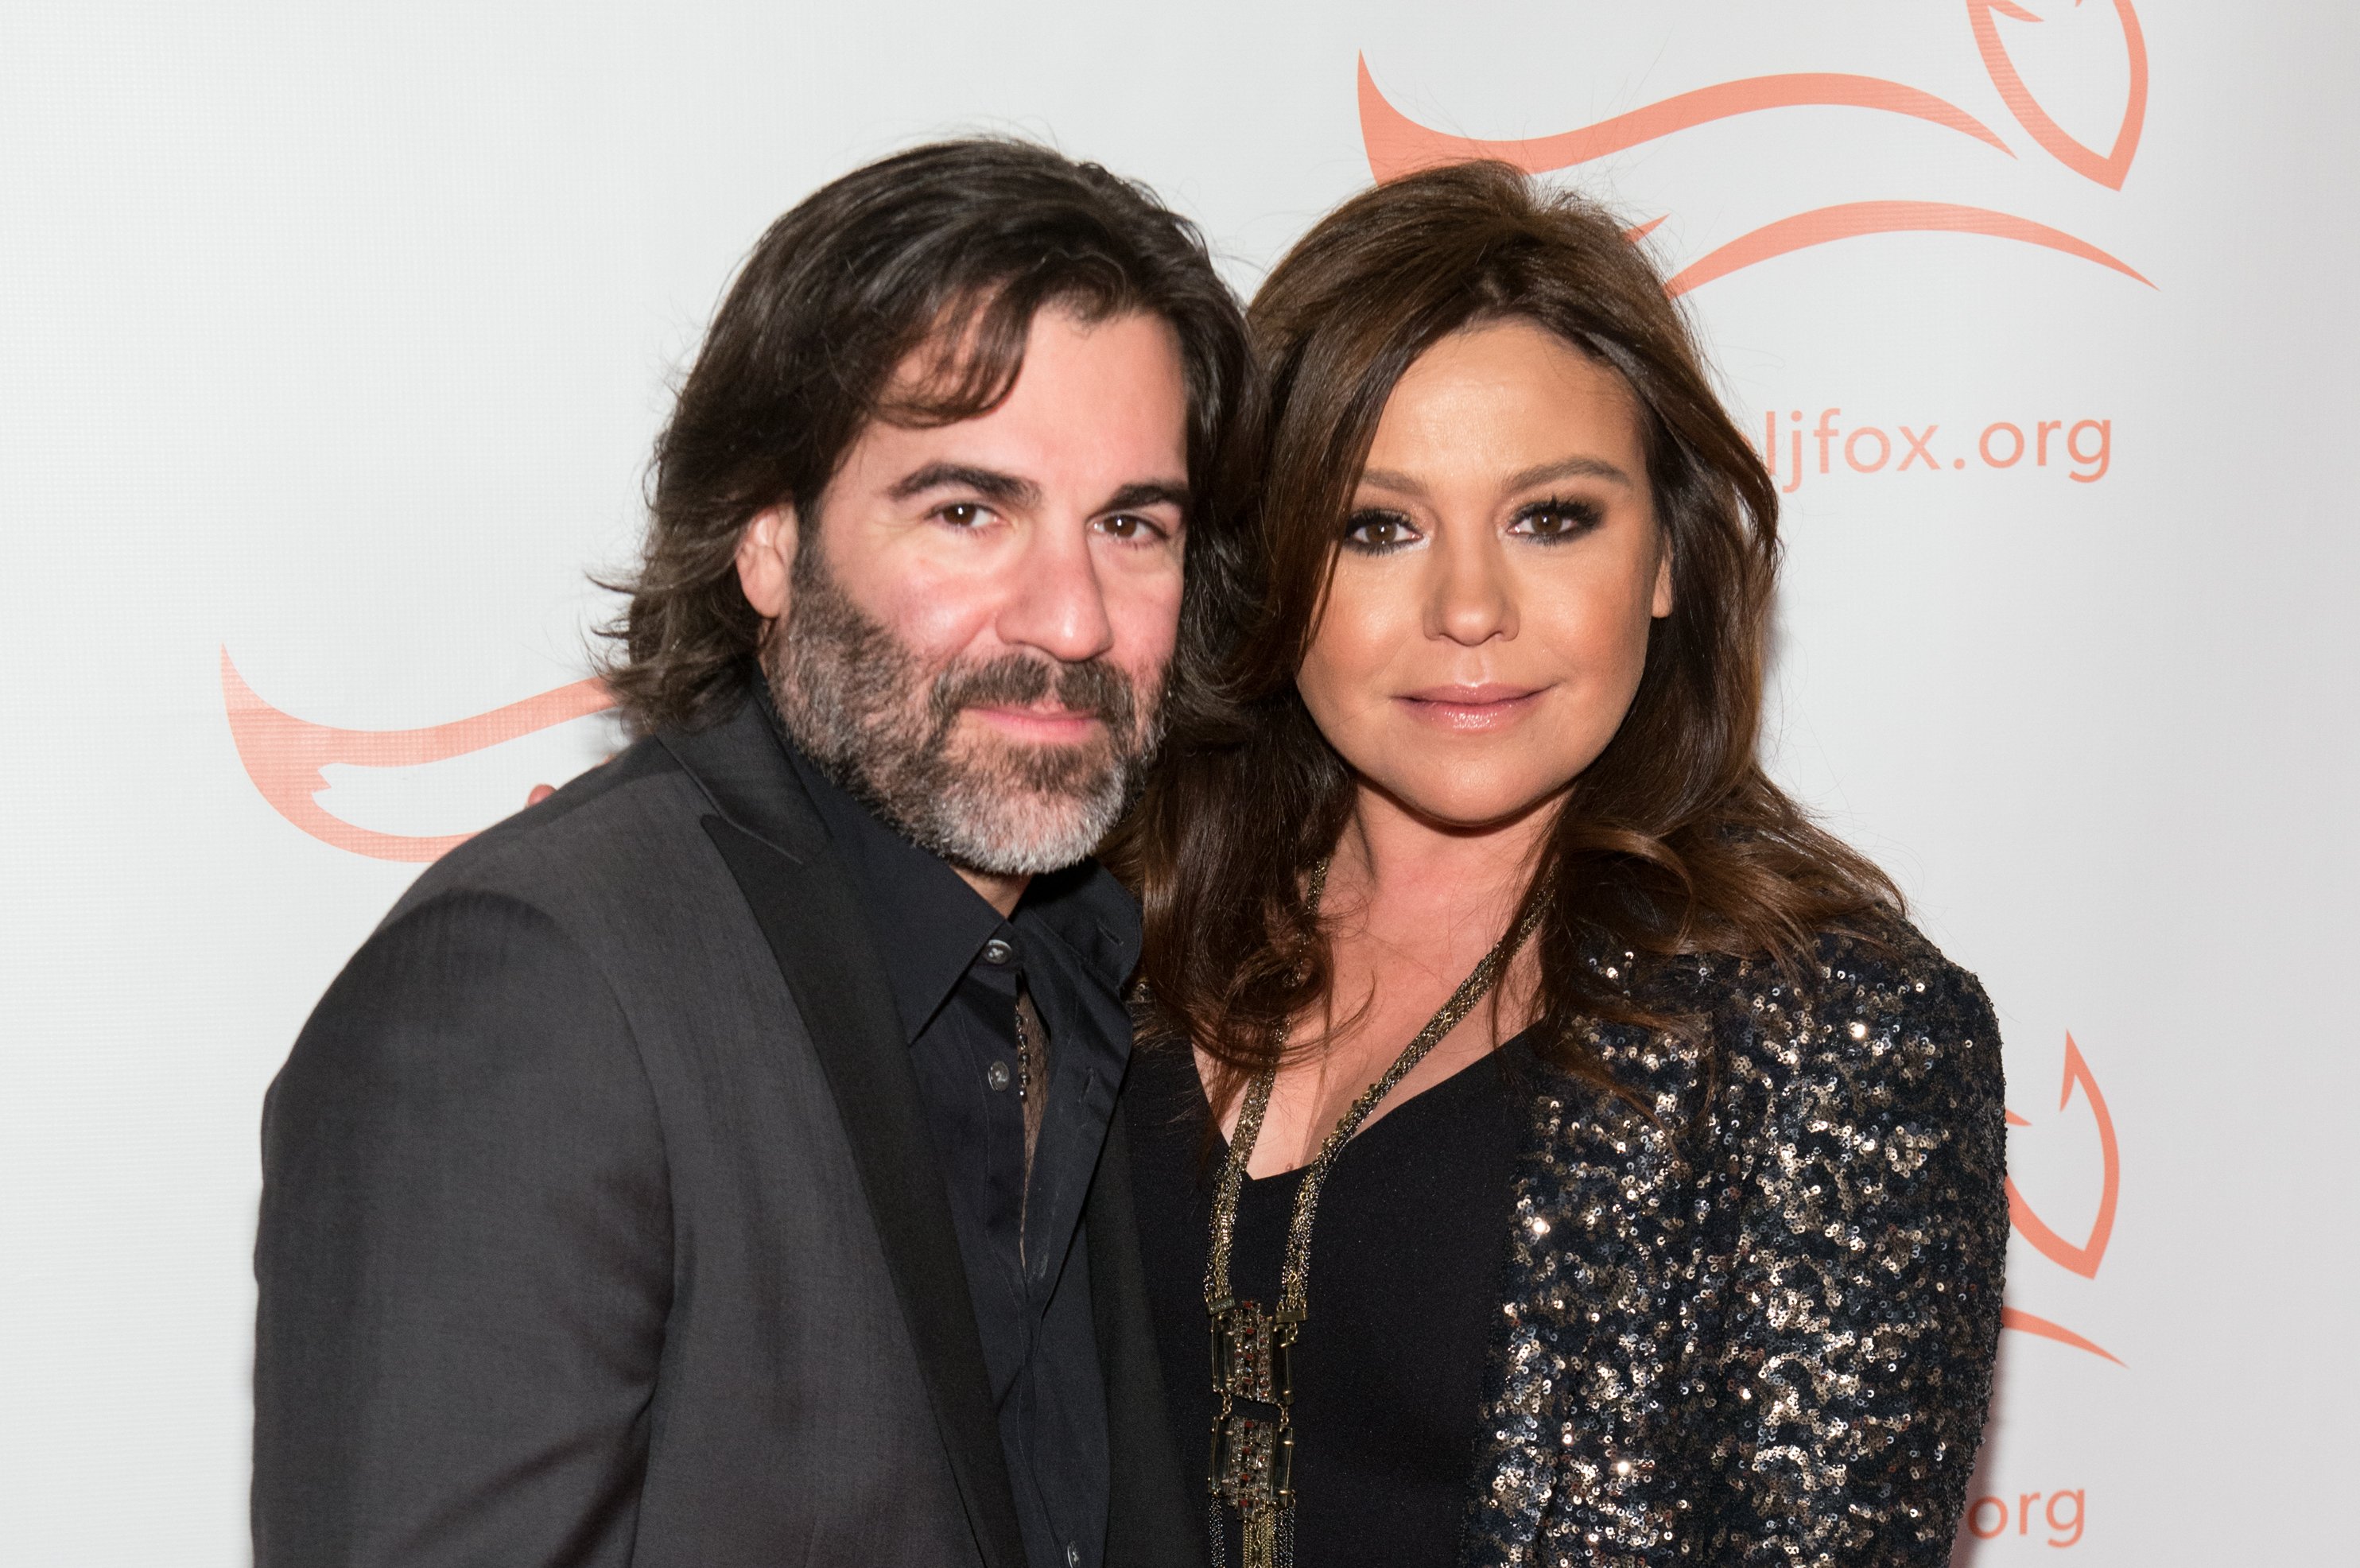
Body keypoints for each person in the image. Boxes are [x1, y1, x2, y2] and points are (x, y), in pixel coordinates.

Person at [253, 138, 1252, 1568]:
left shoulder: (1098, 970)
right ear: (770, 542)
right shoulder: (535, 985)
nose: (1073, 618)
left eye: (1131, 526)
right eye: (969, 510)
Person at [1119, 162, 2006, 1568]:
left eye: (1553, 518)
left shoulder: (1828, 1037)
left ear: (1666, 555)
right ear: (1273, 572)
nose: (1470, 608)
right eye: (1377, 527)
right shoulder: (1107, 952)